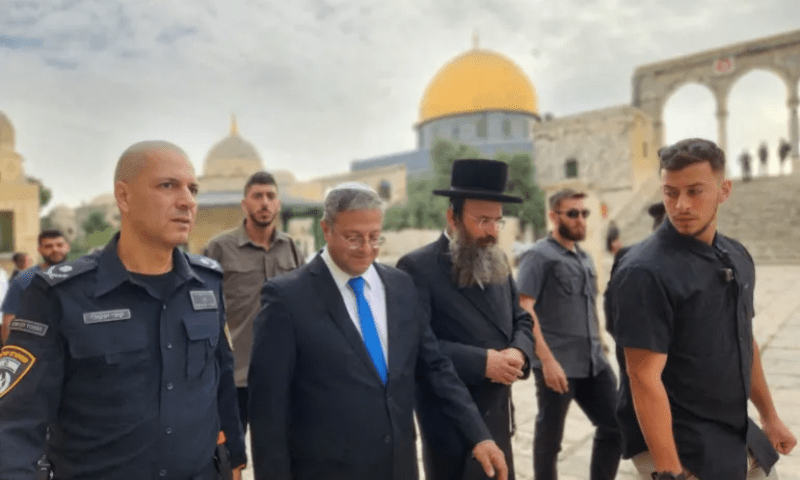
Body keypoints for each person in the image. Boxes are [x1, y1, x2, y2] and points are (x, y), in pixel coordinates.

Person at [0, 141, 246, 480]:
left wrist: (235, 456)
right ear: (124, 197)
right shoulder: (59, 295)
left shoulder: (207, 283)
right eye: (167, 186)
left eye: (193, 189)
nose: (187, 201)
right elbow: (15, 422)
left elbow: (220, 378)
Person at [248, 183, 508, 480]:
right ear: (326, 229)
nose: (366, 249)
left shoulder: (401, 286)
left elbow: (435, 368)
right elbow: (268, 411)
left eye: (374, 237)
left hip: (398, 467)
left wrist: (479, 435)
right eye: (353, 238)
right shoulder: (287, 298)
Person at [610, 138, 796, 480]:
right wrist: (670, 472)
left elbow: (745, 339)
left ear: (724, 190)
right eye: (671, 193)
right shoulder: (644, 271)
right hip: (678, 441)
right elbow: (643, 377)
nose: (681, 205)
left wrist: (769, 416)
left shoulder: (736, 255)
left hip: (732, 429)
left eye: (695, 191)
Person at [396, 159, 534, 480]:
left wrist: (519, 351)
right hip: (452, 427)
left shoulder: (498, 259)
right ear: (452, 217)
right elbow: (418, 349)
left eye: (497, 221)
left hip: (498, 417)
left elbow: (521, 319)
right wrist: (482, 362)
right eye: (482, 220)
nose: (492, 231)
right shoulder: (417, 268)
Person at [517, 188, 621, 480]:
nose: (580, 220)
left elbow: (589, 306)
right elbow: (525, 308)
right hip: (558, 364)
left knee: (616, 425)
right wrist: (546, 361)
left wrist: (601, 345)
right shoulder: (538, 256)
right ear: (553, 216)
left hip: (593, 362)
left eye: (584, 213)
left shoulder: (585, 258)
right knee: (549, 441)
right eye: (572, 213)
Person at [203, 171, 304, 433]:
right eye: (257, 196)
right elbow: (201, 310)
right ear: (244, 204)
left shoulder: (291, 248)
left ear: (278, 203)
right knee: (230, 452)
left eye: (270, 196)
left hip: (280, 374)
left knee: (277, 449)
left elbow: (305, 304)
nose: (264, 203)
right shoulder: (219, 249)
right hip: (235, 375)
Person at [1, 231, 70, 343]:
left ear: (67, 247)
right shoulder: (24, 279)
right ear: (39, 250)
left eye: (59, 245)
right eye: (48, 246)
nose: (55, 249)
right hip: (38, 345)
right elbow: (10, 318)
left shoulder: (81, 275)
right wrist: (8, 349)